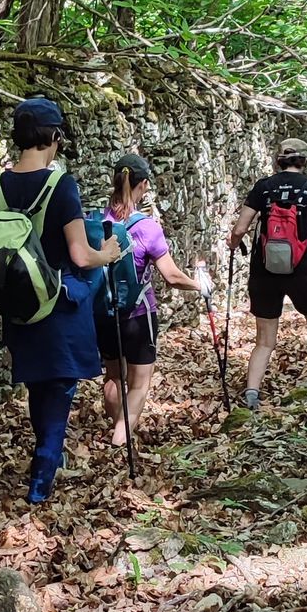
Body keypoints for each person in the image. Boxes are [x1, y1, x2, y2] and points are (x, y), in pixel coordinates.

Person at [0, 96, 121, 505]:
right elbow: (79, 254)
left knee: (39, 385)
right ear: (54, 136)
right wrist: (107, 255)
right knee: (58, 388)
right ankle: (41, 482)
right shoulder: (61, 184)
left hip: (17, 305)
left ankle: (47, 459)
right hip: (58, 304)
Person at [94, 152, 203, 447]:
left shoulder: (96, 222)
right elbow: (171, 276)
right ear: (142, 185)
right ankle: (120, 441)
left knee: (113, 377)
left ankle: (119, 428)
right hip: (139, 316)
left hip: (104, 313)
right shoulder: (147, 227)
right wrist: (200, 286)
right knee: (139, 383)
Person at [226, 139, 307, 410]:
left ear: (278, 159)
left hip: (264, 269)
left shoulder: (263, 187)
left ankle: (252, 393)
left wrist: (234, 245)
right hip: (302, 269)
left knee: (265, 340)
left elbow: (239, 229)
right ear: (304, 161)